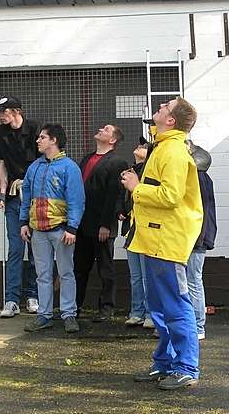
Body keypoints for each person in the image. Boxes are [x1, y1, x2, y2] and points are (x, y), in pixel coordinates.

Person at [121, 97, 203, 391]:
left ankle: (186, 367)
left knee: (176, 305)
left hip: (166, 242)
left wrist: (136, 188)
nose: (158, 108)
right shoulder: (162, 147)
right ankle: (166, 364)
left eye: (164, 108)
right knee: (159, 306)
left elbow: (170, 196)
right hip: (153, 240)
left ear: (171, 121)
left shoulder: (174, 152)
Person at [20, 124, 85, 334]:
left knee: (66, 273)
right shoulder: (34, 167)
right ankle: (44, 315)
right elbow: (26, 198)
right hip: (38, 231)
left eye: (42, 137)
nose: (38, 141)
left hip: (61, 230)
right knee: (43, 274)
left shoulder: (69, 167)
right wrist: (24, 223)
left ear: (54, 140)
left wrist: (72, 228)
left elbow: (76, 200)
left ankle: (69, 315)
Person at [0, 96, 40, 318]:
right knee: (15, 248)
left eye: (3, 111)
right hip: (13, 195)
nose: (0, 115)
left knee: (36, 247)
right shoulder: (0, 133)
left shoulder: (35, 129)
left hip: (34, 195)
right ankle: (11, 299)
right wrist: (2, 192)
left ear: (15, 111)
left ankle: (33, 295)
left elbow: (42, 162)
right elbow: (1, 163)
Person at [74, 124, 128, 322]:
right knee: (79, 268)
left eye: (106, 129)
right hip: (82, 223)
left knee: (105, 268)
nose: (100, 130)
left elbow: (114, 194)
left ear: (113, 140)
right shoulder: (87, 158)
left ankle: (106, 308)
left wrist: (107, 224)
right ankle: (74, 307)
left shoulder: (117, 162)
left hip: (101, 225)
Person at [119, 136, 154, 329]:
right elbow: (123, 197)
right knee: (135, 275)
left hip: (145, 231)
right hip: (131, 231)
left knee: (146, 275)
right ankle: (137, 311)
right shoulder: (131, 171)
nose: (139, 146)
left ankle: (150, 313)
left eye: (143, 146)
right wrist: (121, 210)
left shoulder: (148, 172)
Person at [186, 140, 217, 341]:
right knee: (193, 280)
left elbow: (200, 212)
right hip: (198, 236)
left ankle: (197, 325)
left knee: (193, 281)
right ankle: (196, 325)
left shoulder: (197, 178)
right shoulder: (204, 178)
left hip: (195, 237)